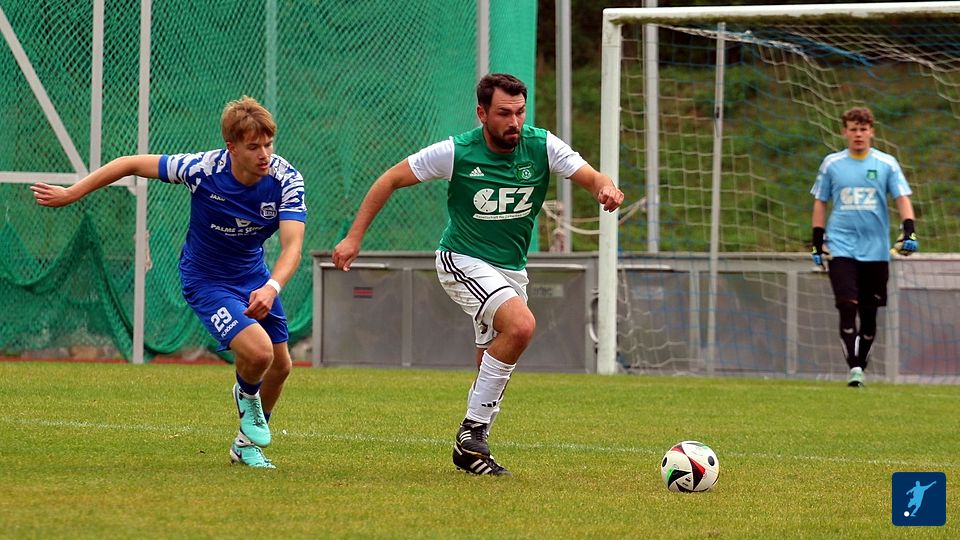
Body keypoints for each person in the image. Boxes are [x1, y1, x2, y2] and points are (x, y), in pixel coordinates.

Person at [332, 73, 624, 475]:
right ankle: (472, 432)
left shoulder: (542, 146)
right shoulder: (457, 152)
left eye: (520, 112)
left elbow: (593, 177)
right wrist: (354, 237)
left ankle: (469, 452)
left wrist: (606, 188)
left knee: (492, 357)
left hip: (511, 270)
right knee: (521, 326)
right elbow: (391, 178)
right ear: (482, 113)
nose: (514, 122)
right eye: (504, 113)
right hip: (462, 259)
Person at [31, 96, 306, 468]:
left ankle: (245, 445)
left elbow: (292, 247)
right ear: (231, 147)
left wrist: (271, 287)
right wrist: (73, 192)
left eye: (269, 144)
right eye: (254, 147)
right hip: (206, 280)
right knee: (259, 354)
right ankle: (246, 396)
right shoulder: (202, 169)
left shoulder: (285, 179)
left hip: (256, 277)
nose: (265, 154)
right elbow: (130, 163)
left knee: (281, 366)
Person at [810, 106, 916, 388]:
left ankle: (861, 364)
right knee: (847, 305)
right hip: (841, 246)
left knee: (869, 315)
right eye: (853, 129)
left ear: (872, 132)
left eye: (863, 129)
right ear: (845, 132)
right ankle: (854, 368)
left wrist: (909, 230)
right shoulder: (832, 164)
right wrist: (817, 241)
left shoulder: (886, 164)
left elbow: (902, 198)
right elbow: (820, 202)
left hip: (876, 250)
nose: (858, 134)